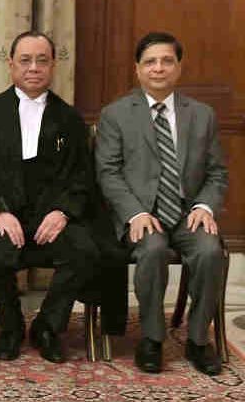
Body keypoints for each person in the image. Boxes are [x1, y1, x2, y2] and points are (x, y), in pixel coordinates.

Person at [0, 31, 99, 364]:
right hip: (2, 217)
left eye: (42, 60)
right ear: (11, 64)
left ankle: (47, 325)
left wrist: (62, 212)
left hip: (49, 219)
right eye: (26, 60)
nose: (34, 68)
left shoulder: (69, 118)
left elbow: (82, 177)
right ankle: (11, 324)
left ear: (53, 66)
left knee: (85, 250)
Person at [96, 32, 228, 375]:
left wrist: (205, 207)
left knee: (210, 252)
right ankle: (152, 339)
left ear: (179, 68)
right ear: (137, 69)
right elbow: (107, 173)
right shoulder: (115, 115)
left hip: (188, 215)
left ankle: (198, 340)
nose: (159, 68)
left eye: (167, 61)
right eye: (150, 61)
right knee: (152, 251)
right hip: (141, 215)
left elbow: (216, 173)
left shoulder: (202, 115)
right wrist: (134, 212)